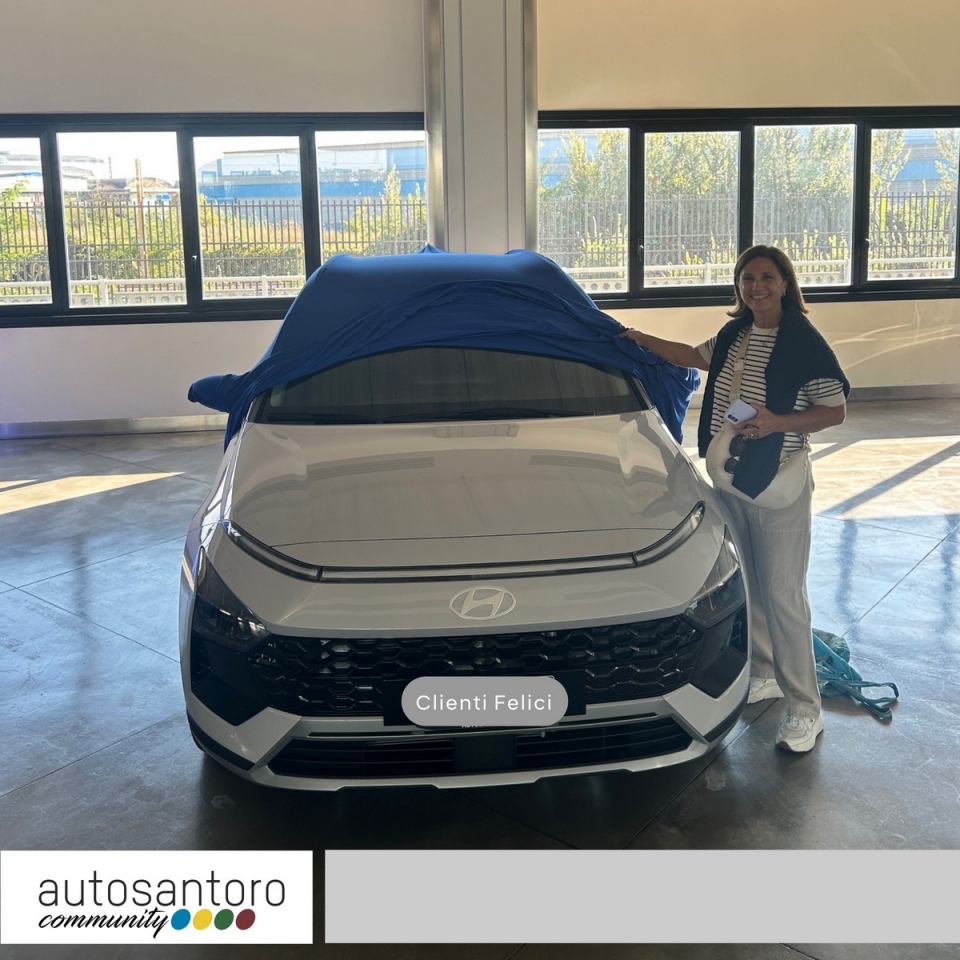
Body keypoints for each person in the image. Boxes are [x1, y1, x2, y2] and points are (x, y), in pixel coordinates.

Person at [620, 245, 849, 753]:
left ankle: (805, 708)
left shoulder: (803, 342)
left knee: (784, 594)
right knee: (752, 583)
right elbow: (690, 356)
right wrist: (637, 337)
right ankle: (764, 671)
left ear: (785, 283)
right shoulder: (735, 334)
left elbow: (834, 411)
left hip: (778, 482)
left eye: (766, 277)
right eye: (747, 278)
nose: (756, 287)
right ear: (738, 286)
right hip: (732, 476)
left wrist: (778, 422)